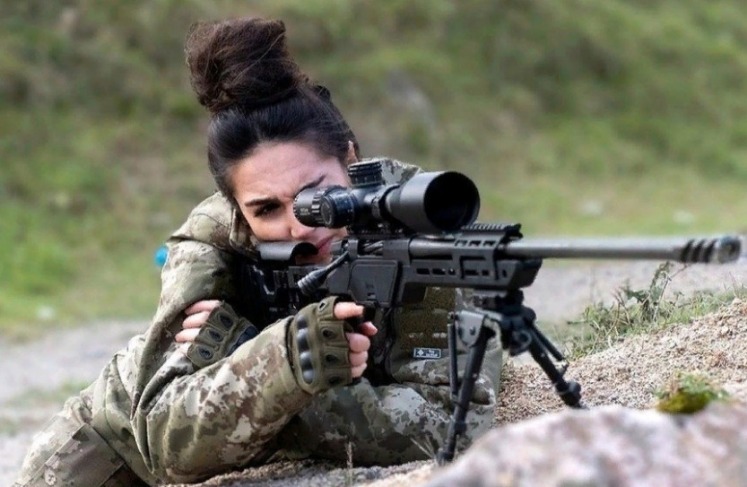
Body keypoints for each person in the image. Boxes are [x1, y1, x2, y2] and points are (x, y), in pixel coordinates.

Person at [14, 17, 502, 487]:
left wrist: (261, 366)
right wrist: (283, 358)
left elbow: (450, 425)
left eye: (318, 196)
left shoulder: (420, 229)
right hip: (109, 444)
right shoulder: (213, 240)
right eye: (267, 209)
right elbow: (165, 437)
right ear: (235, 211)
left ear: (351, 160)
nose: (301, 225)